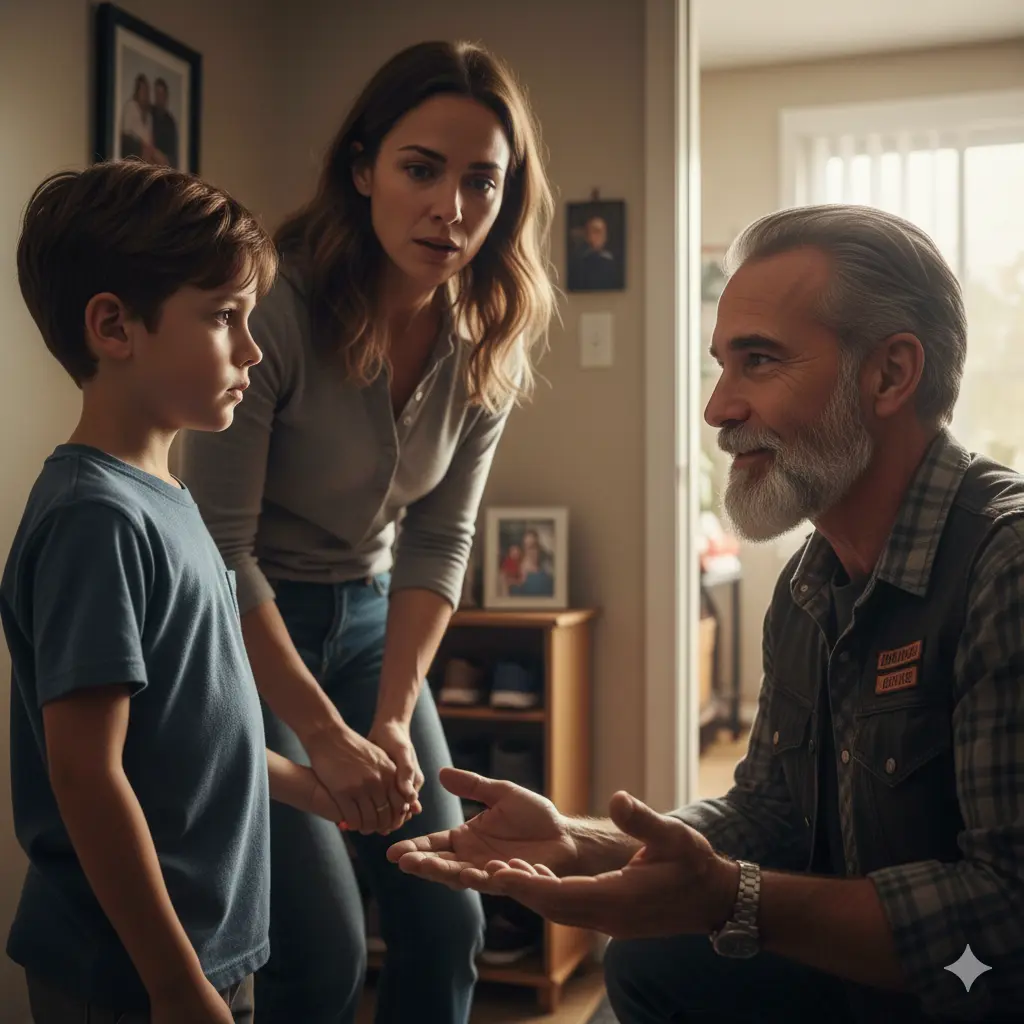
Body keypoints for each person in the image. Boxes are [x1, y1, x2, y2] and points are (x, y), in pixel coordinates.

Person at [389, 205, 1024, 1023]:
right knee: (653, 962)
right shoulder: (808, 585)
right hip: (866, 976)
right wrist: (586, 845)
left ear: (891, 375)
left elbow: (1006, 919)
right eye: (720, 366)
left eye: (757, 361)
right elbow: (767, 812)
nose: (717, 409)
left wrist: (732, 898)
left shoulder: (1003, 569)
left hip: (966, 994)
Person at [178, 39, 556, 1024]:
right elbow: (221, 548)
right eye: (421, 169)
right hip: (246, 630)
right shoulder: (276, 310)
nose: (452, 208)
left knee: (445, 917)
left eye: (482, 181)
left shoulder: (485, 342)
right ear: (362, 169)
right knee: (322, 943)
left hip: (371, 626)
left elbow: (439, 541)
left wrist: (388, 718)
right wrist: (320, 731)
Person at [3, 160, 349, 1024]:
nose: (252, 348)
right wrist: (172, 982)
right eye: (225, 317)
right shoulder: (97, 521)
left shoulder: (169, 501)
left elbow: (188, 744)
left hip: (207, 947)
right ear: (115, 326)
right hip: (128, 969)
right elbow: (87, 775)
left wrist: (311, 789)